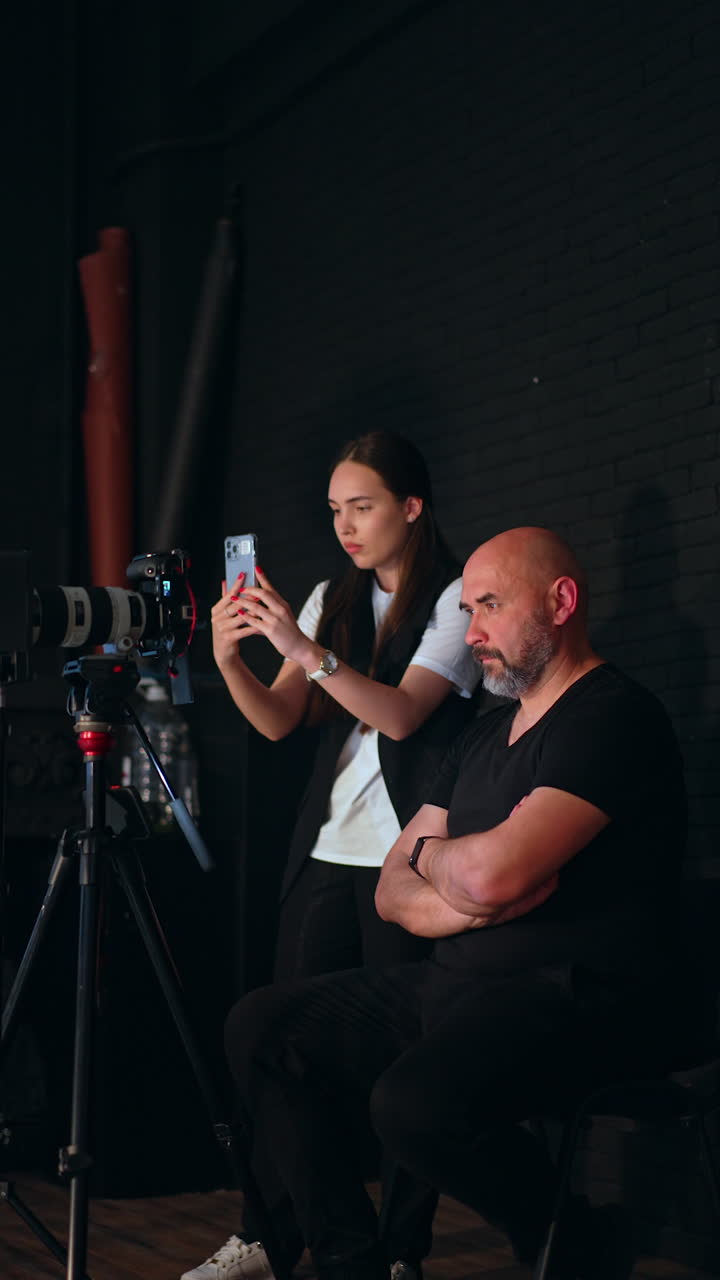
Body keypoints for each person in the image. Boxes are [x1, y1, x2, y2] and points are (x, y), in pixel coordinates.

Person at [221, 526, 701, 1280]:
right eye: (467, 609)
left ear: (561, 601)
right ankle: (351, 1260)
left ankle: (570, 1236)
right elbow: (393, 887)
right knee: (261, 1027)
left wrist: (447, 871)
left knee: (411, 1106)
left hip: (576, 994)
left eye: (489, 606)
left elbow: (484, 878)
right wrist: (465, 889)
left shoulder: (613, 717)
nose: (471, 632)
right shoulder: (482, 739)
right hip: (455, 982)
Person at [182, 433, 480, 1280]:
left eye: (363, 506)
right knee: (274, 1044)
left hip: (412, 862)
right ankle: (272, 1235)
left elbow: (399, 716)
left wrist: (308, 650)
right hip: (329, 851)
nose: (345, 525)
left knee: (406, 1060)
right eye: (335, 510)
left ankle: (403, 1251)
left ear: (411, 507)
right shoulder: (330, 596)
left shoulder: (458, 601)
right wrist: (230, 656)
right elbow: (281, 720)